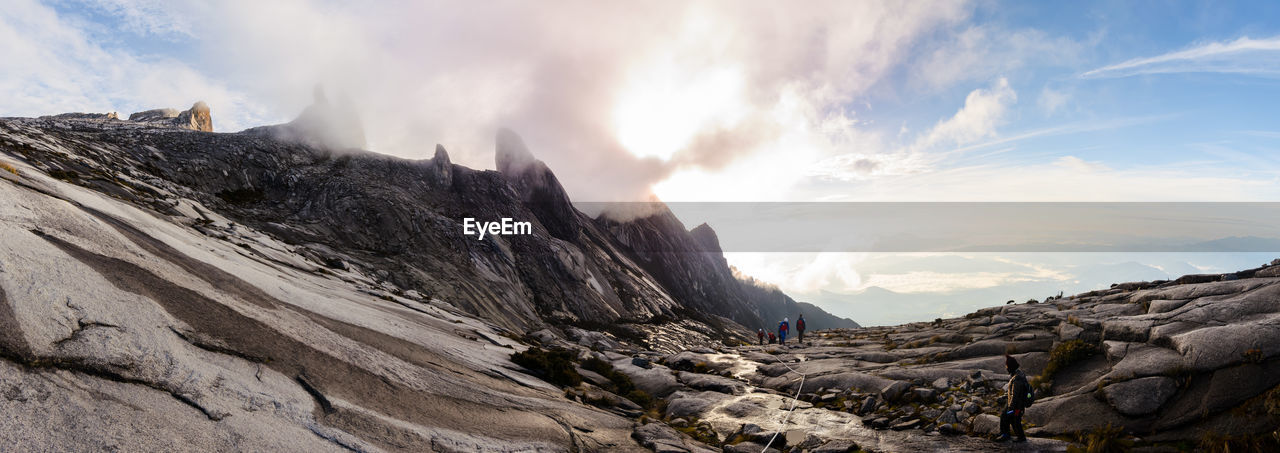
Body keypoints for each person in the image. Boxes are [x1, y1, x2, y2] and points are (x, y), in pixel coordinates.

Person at [997, 354, 1030, 443]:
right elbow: (1012, 392)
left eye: (1006, 366)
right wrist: (1004, 397)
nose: (1006, 367)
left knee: (1007, 417)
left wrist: (1010, 407)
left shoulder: (1017, 378)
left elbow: (1015, 395)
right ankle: (1016, 436)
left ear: (1010, 367)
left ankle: (1008, 436)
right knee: (1013, 419)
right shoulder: (1017, 375)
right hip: (1017, 405)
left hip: (1016, 406)